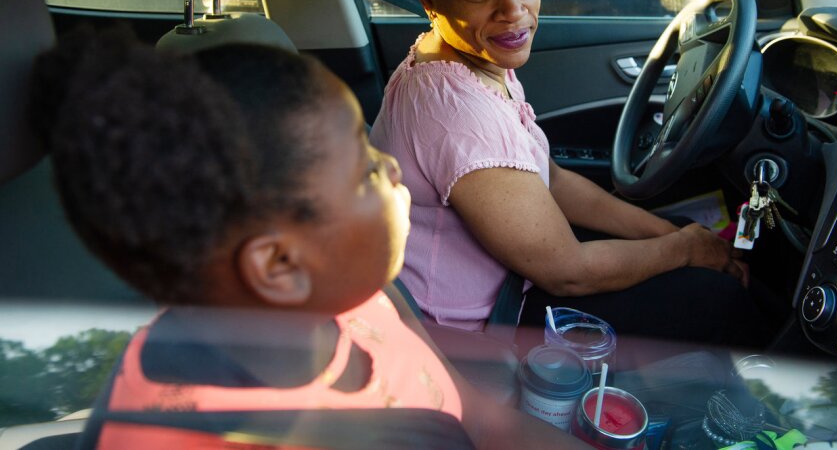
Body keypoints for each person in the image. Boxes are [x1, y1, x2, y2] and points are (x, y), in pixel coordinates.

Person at [30, 27, 589, 449]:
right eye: (367, 169)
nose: (392, 168)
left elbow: (472, 412)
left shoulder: (355, 298)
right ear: (279, 265)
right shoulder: (209, 432)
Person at [369, 0, 784, 347]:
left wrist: (671, 234)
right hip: (481, 332)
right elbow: (568, 273)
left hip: (509, 282)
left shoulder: (467, 61)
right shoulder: (454, 111)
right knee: (719, 299)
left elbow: (554, 180)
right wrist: (682, 251)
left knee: (688, 248)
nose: (513, 10)